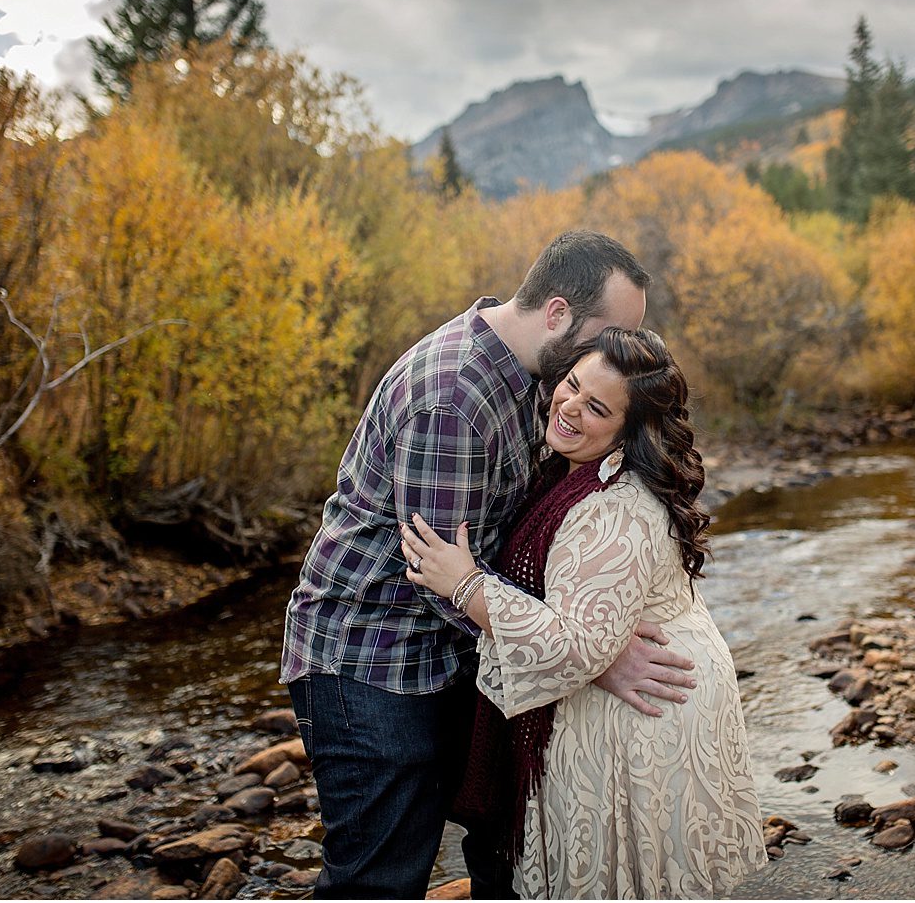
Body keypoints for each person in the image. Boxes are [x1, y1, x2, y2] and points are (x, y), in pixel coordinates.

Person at [281, 230, 699, 899]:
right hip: (374, 661)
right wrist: (588, 657)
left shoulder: (537, 374)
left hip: (448, 658)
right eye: (608, 335)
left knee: (501, 841)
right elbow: (440, 583)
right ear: (558, 313)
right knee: (380, 879)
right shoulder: (453, 396)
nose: (611, 358)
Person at [401, 327, 768, 899]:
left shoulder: (612, 507)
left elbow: (580, 645)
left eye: (596, 407)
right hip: (638, 689)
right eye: (571, 385)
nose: (570, 406)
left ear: (629, 429)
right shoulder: (569, 471)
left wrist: (466, 584)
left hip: (643, 711)